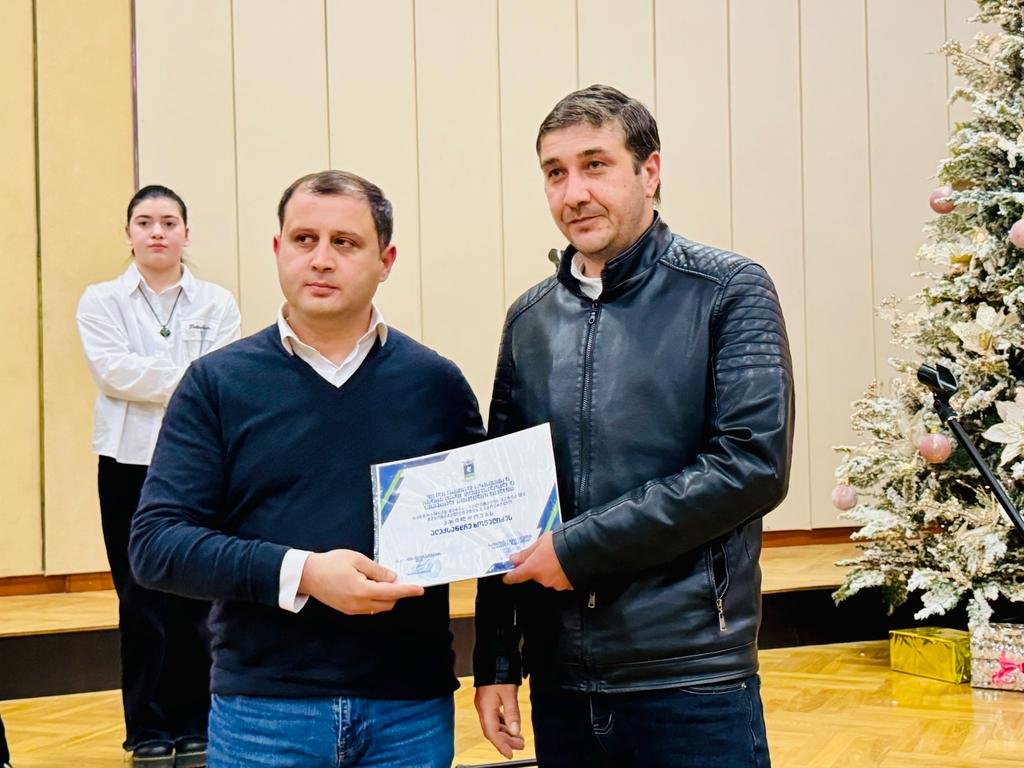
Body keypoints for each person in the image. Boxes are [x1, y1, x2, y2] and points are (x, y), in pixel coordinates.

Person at [473, 84, 795, 768]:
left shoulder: (729, 290)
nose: (574, 193)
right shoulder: (528, 319)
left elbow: (751, 466)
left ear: (650, 171)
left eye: (595, 165)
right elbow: (502, 497)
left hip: (690, 674)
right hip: (561, 680)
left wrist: (580, 550)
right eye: (555, 173)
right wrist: (496, 659)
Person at [129, 170, 484, 768]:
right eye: (303, 240)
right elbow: (157, 544)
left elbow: (489, 540)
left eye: (345, 242)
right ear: (277, 249)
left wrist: (498, 669)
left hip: (409, 708)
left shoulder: (436, 385)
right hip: (263, 710)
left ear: (386, 260)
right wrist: (304, 573)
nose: (321, 259)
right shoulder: (216, 385)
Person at [76, 185, 241, 767]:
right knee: (139, 596)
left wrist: (179, 379)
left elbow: (220, 376)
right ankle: (146, 727)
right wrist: (188, 379)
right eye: (145, 221)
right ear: (128, 233)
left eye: (169, 222)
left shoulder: (217, 302)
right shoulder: (101, 300)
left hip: (197, 462)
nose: (157, 232)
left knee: (196, 595)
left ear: (186, 234)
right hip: (126, 461)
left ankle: (196, 722)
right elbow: (113, 372)